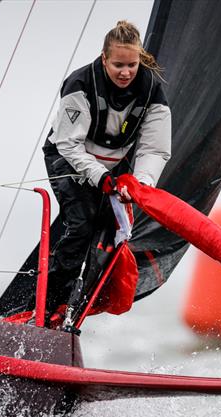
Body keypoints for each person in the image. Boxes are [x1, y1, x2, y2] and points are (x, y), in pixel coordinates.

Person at [41, 20, 172, 321]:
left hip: (114, 167)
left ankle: (71, 312)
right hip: (68, 157)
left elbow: (154, 149)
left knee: (111, 236)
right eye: (118, 65)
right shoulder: (80, 84)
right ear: (104, 59)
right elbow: (69, 145)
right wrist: (99, 177)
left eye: (132, 64)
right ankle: (46, 305)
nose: (126, 72)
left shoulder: (152, 91)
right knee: (82, 224)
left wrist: (140, 185)